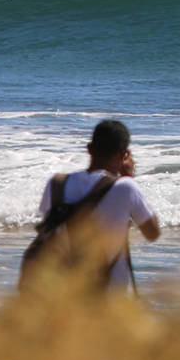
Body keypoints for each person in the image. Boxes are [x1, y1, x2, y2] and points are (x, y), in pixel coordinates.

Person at [36, 119, 160, 292]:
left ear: (89, 149)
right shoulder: (125, 187)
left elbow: (48, 234)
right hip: (113, 300)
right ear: (124, 155)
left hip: (67, 296)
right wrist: (128, 176)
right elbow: (152, 232)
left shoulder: (57, 184)